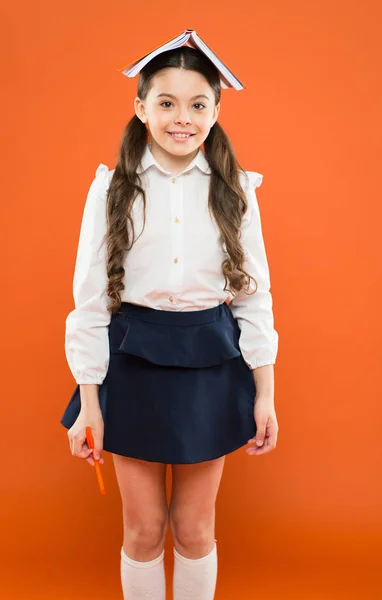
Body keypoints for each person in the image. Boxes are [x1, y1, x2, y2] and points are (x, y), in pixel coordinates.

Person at [60, 44, 279, 600]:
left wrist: (264, 394)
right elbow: (88, 302)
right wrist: (89, 401)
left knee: (195, 526)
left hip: (210, 360)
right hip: (132, 361)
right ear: (141, 108)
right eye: (167, 102)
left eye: (198, 105)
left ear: (215, 112)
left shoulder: (235, 190)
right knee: (143, 528)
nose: (183, 117)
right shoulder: (111, 189)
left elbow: (255, 298)